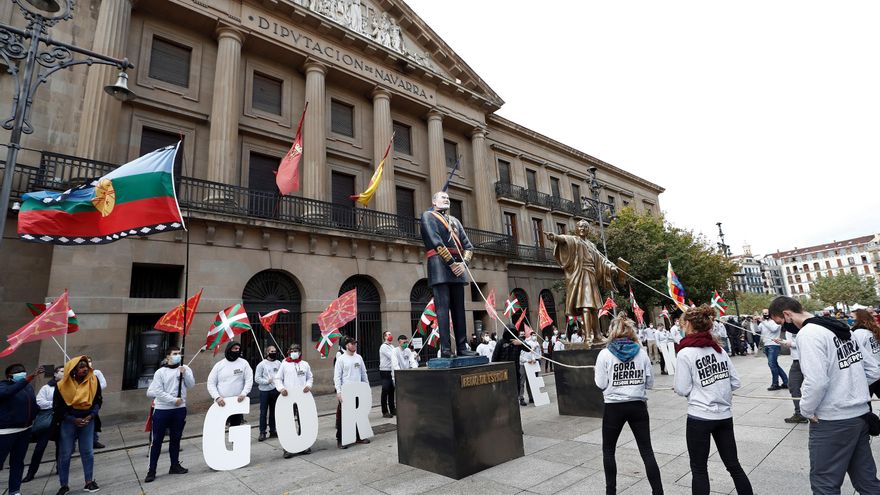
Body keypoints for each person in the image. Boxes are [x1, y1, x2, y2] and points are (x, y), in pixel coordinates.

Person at [769, 296, 880, 494]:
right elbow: (873, 370)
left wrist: (806, 409)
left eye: (781, 322)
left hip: (832, 420)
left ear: (787, 314)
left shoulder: (809, 333)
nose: (784, 327)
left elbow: (816, 381)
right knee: (867, 481)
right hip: (860, 415)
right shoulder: (841, 328)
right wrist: (852, 389)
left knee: (824, 484)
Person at [674, 306, 752, 495]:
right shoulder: (719, 350)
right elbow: (735, 382)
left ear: (689, 324)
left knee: (699, 468)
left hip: (699, 417)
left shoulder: (685, 353)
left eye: (683, 324)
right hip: (724, 416)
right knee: (733, 465)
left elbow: (682, 388)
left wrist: (697, 390)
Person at [595, 314, 662, 495]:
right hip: (637, 406)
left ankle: (610, 492)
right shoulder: (641, 353)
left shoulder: (604, 354)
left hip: (614, 407)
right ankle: (658, 492)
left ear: (612, 332)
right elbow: (649, 383)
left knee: (608, 451)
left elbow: (600, 384)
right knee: (647, 451)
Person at [544, 220, 622, 344]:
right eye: (580, 226)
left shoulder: (592, 245)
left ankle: (597, 335)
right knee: (585, 306)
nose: (582, 228)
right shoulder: (575, 240)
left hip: (591, 276)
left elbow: (601, 260)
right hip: (581, 275)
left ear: (588, 229)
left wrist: (610, 268)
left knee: (594, 308)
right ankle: (587, 336)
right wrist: (555, 237)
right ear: (577, 229)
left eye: (585, 227)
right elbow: (564, 239)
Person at [420, 191, 477, 358]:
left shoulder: (455, 221)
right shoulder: (428, 216)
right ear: (434, 201)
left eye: (448, 198)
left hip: (458, 267)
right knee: (443, 309)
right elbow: (435, 242)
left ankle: (462, 347)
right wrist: (452, 263)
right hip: (440, 265)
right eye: (443, 197)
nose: (447, 199)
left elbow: (469, 246)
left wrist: (463, 264)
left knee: (459, 309)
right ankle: (445, 349)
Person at [52, 356, 102, 495]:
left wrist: (91, 415)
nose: (85, 369)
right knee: (65, 453)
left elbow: (98, 401)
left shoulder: (94, 381)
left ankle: (89, 482)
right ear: (73, 370)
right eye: (81, 367)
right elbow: (58, 407)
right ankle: (64, 485)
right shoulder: (62, 385)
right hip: (68, 422)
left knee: (87, 452)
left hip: (88, 420)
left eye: (86, 366)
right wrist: (72, 419)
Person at [144, 346, 194, 483]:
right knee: (157, 441)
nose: (178, 356)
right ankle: (151, 470)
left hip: (179, 410)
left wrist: (185, 374)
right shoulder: (160, 372)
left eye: (179, 353)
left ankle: (174, 465)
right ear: (168, 356)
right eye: (175, 354)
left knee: (176, 438)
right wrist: (173, 400)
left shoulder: (185, 369)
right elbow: (157, 391)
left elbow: (191, 385)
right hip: (162, 410)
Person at [0, 363, 42, 495]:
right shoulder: (3, 386)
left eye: (23, 370)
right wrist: (28, 378)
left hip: (24, 431)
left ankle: (15, 491)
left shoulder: (27, 387)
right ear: (9, 376)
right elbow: (8, 392)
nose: (22, 372)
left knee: (17, 463)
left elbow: (32, 403)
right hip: (6, 432)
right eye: (17, 371)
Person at [23, 366, 62, 483]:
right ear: (55, 374)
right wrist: (55, 404)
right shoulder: (47, 388)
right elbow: (39, 402)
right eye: (61, 371)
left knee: (61, 447)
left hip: (61, 421)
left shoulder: (69, 386)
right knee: (40, 448)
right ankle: (31, 472)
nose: (63, 373)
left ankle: (60, 468)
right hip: (47, 422)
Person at [275, 344, 313, 458]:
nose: (294, 352)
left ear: (300, 352)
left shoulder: (305, 364)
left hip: (302, 397)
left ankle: (304, 445)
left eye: (296, 350)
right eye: (291, 350)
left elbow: (310, 377)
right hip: (288, 397)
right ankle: (288, 448)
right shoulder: (284, 364)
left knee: (304, 421)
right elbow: (278, 378)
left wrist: (308, 385)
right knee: (288, 423)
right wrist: (281, 389)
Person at [334, 337, 371, 449]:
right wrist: (339, 392)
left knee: (359, 414)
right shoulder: (341, 359)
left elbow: (363, 373)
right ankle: (341, 440)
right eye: (352, 344)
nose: (354, 345)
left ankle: (359, 436)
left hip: (358, 390)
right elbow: (337, 377)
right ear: (346, 346)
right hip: (346, 391)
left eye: (355, 343)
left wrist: (367, 387)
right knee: (344, 417)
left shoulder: (359, 357)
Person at [207, 341, 253, 427]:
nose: (237, 351)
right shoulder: (219, 365)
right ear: (229, 349)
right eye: (235, 349)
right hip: (222, 403)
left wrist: (244, 393)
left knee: (235, 428)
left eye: (238, 349)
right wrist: (217, 397)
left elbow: (249, 380)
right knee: (219, 427)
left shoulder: (244, 363)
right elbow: (211, 383)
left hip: (237, 402)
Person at [774, 327, 807, 424]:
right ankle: (799, 413)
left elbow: (805, 343)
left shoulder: (804, 327)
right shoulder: (788, 328)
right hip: (796, 361)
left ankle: (816, 412)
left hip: (807, 360)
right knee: (793, 386)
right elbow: (790, 342)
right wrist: (782, 341)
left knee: (815, 386)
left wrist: (790, 343)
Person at [255, 345, 282, 442]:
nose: (273, 353)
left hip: (275, 390)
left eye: (275, 351)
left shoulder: (278, 363)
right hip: (264, 391)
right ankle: (262, 432)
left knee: (273, 412)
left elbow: (281, 375)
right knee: (263, 412)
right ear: (267, 353)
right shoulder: (261, 364)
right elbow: (257, 378)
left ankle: (273, 430)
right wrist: (266, 381)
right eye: (271, 351)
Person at [851, 308, 880, 398]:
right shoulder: (873, 330)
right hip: (877, 368)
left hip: (868, 372)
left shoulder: (859, 333)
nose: (851, 320)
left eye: (853, 318)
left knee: (865, 402)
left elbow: (855, 352)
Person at [759, 310, 788, 390]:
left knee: (772, 364)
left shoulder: (776, 322)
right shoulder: (764, 322)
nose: (765, 315)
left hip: (774, 345)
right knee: (774, 365)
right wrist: (755, 322)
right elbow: (758, 329)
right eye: (763, 313)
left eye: (766, 313)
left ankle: (775, 384)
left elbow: (773, 329)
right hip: (766, 345)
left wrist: (763, 322)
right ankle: (786, 382)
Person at [86, 359, 106, 449]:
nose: (88, 363)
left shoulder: (96, 372)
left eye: (89, 361)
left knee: (94, 420)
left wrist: (92, 390)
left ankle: (94, 441)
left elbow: (103, 384)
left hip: (93, 400)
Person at [378, 331, 396, 418]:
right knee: (385, 390)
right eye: (388, 335)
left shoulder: (392, 346)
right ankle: (385, 411)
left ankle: (392, 409)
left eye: (390, 334)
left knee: (391, 390)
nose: (390, 336)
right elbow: (392, 356)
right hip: (385, 371)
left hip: (391, 370)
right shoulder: (383, 347)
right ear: (384, 337)